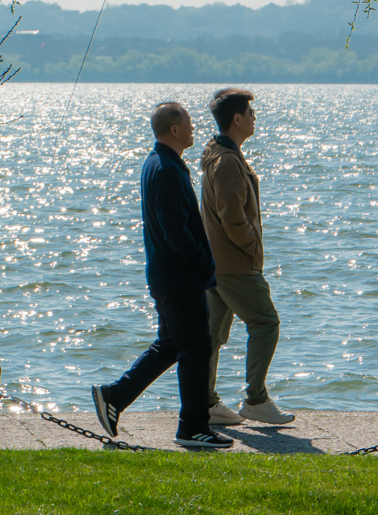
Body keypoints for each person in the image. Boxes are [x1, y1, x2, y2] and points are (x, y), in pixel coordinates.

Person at [91, 101, 233, 449]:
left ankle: (114, 396)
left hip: (166, 275)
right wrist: (204, 264)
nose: (193, 128)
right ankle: (193, 428)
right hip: (179, 277)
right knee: (196, 350)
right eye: (189, 122)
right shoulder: (167, 169)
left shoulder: (157, 162)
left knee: (171, 345)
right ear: (174, 129)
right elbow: (176, 232)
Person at [200, 88, 295, 427]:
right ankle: (255, 399)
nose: (255, 118)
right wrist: (253, 248)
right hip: (234, 264)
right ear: (237, 119)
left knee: (212, 335)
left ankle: (204, 401)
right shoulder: (226, 161)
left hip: (215, 263)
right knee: (266, 322)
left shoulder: (218, 152)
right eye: (251, 113)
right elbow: (232, 218)